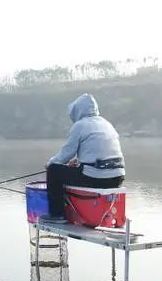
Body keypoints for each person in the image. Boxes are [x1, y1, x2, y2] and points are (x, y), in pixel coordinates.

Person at [40, 93, 125, 224]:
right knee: (68, 170)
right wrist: (80, 163)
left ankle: (57, 215)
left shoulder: (80, 125)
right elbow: (100, 152)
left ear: (78, 110)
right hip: (117, 178)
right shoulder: (107, 124)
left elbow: (65, 154)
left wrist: (50, 163)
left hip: (96, 178)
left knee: (54, 171)